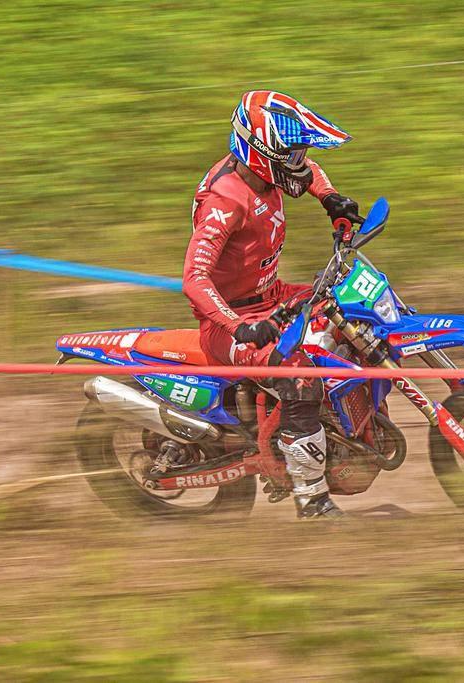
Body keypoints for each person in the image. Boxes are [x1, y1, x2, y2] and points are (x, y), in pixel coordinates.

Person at [182, 90, 361, 519]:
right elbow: (194, 278)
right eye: (291, 154)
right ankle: (312, 499)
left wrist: (330, 197)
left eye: (300, 153)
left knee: (352, 309)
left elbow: (306, 170)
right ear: (262, 154)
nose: (300, 162)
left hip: (272, 296)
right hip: (231, 321)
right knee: (298, 376)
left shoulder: (266, 173)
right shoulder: (225, 202)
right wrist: (237, 326)